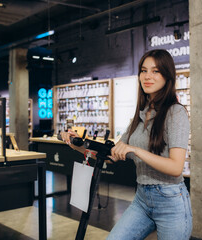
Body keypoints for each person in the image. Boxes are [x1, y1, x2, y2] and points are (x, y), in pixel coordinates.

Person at [61, 49, 192, 240]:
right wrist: (77, 145)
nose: (147, 76)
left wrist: (135, 150)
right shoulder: (141, 114)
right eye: (143, 70)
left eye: (155, 71)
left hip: (171, 201)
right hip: (143, 199)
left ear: (167, 75)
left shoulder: (176, 113)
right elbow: (111, 154)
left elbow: (176, 167)